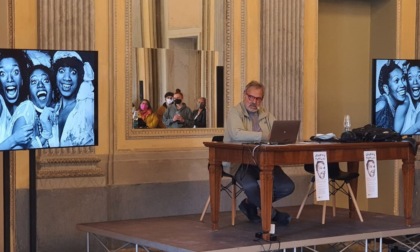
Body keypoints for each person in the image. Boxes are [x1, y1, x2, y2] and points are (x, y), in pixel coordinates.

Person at [224, 80, 294, 225]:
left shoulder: (265, 113)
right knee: (251, 187)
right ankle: (272, 214)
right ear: (244, 95)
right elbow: (237, 134)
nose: (254, 101)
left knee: (287, 186)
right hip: (240, 162)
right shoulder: (234, 112)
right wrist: (263, 135)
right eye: (251, 97)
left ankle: (250, 203)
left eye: (258, 98)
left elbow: (277, 132)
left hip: (263, 161)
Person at [10, 50, 57, 149]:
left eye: (45, 80)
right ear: (28, 93)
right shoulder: (26, 109)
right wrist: (45, 135)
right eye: (34, 81)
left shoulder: (59, 111)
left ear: (52, 88)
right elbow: (17, 152)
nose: (40, 85)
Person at [49, 50, 95, 147]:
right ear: (55, 75)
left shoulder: (87, 109)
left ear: (79, 77)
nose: (67, 78)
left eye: (73, 72)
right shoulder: (53, 110)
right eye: (61, 71)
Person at [0, 50, 34, 150]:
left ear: (22, 80)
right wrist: (14, 139)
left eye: (15, 72)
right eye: (2, 73)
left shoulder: (25, 107)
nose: (9, 79)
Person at [375, 60, 407, 130]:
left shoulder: (399, 104)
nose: (402, 84)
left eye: (403, 79)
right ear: (386, 88)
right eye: (396, 81)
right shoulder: (382, 105)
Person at [394, 60, 420, 134]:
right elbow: (394, 138)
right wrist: (416, 127)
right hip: (402, 145)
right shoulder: (405, 101)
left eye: (419, 76)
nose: (415, 82)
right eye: (410, 77)